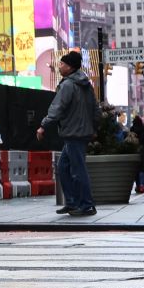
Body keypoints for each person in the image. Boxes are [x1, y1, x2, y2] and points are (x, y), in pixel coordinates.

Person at [36, 50, 98, 217]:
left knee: (78, 170)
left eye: (62, 64)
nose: (60, 66)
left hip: (74, 133)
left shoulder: (69, 85)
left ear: (70, 67)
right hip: (79, 132)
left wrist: (43, 125)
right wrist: (94, 128)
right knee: (63, 167)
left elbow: (57, 108)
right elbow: (95, 108)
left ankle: (86, 205)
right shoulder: (85, 84)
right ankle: (72, 203)